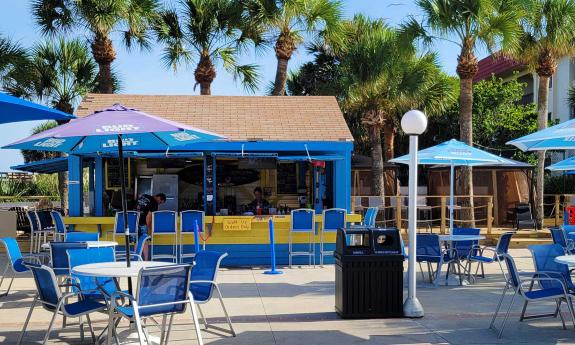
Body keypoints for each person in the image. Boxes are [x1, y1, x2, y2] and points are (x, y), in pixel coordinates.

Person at [135, 193, 166, 259]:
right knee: (145, 240)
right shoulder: (154, 203)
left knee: (136, 241)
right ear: (159, 198)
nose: (159, 204)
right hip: (142, 222)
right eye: (160, 202)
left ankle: (135, 259)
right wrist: (149, 229)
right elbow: (148, 217)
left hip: (134, 221)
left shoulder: (143, 196)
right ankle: (146, 260)